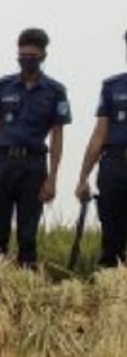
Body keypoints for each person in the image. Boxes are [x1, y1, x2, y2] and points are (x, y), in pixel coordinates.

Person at [0, 27, 72, 268]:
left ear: (42, 56)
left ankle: (26, 283)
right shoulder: (3, 86)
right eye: (22, 55)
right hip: (1, 163)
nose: (26, 60)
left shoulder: (55, 91)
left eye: (32, 56)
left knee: (27, 235)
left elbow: (57, 136)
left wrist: (51, 178)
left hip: (32, 166)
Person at [75, 30, 127, 268]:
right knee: (112, 234)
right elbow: (99, 135)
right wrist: (83, 176)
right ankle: (110, 293)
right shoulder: (112, 87)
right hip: (114, 164)